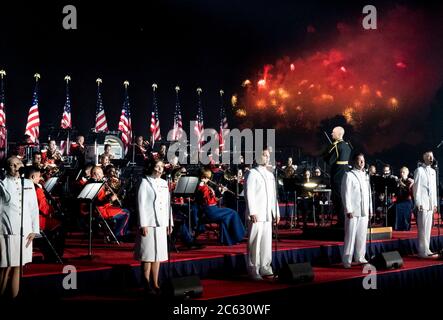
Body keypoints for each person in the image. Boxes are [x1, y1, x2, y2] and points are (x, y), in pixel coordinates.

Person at [0, 156, 39, 299]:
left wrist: (34, 230)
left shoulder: (28, 183)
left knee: (18, 266)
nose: (15, 167)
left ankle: (14, 297)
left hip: (25, 230)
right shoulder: (2, 183)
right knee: (5, 266)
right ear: (6, 167)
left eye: (18, 164)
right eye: (11, 165)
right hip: (7, 230)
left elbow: (33, 208)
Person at [134, 159, 173, 294]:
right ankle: (146, 283)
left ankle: (155, 283)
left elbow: (168, 204)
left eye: (161, 167)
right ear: (151, 167)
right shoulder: (144, 182)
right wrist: (142, 223)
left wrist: (169, 222)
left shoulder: (163, 183)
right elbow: (141, 204)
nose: (159, 169)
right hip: (149, 222)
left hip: (161, 223)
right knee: (148, 254)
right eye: (157, 167)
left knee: (158, 255)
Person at [245, 148, 280, 280]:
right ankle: (253, 268)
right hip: (257, 213)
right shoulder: (252, 173)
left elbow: (273, 195)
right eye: (264, 155)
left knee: (266, 241)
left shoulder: (270, 175)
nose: (267, 158)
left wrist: (275, 211)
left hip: (267, 213)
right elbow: (249, 193)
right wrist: (252, 211)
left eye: (268, 155)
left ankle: (265, 266)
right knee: (255, 241)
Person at [196, 168, 246, 246]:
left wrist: (221, 192)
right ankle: (240, 235)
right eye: (207, 178)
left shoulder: (204, 186)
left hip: (212, 209)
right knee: (233, 213)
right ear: (203, 177)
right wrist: (216, 192)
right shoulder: (203, 187)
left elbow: (214, 200)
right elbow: (209, 200)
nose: (208, 179)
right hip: (210, 211)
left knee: (226, 218)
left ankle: (228, 240)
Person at [25, 166, 65, 261]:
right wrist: (54, 211)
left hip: (27, 218)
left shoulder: (22, 186)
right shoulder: (37, 189)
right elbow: (44, 208)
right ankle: (55, 256)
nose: (41, 179)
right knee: (61, 225)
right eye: (39, 177)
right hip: (38, 221)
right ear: (33, 177)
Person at [341, 153, 372, 268]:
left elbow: (368, 194)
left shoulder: (366, 176)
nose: (362, 162)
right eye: (359, 160)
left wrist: (370, 209)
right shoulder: (349, 175)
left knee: (362, 235)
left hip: (364, 211)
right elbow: (345, 194)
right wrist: (348, 209)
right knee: (350, 236)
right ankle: (347, 260)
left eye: (363, 160)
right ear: (355, 161)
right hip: (353, 211)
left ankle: (360, 257)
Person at [323, 126, 352, 227]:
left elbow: (329, 161)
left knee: (338, 198)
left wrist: (328, 149)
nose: (331, 134)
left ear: (339, 134)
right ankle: (344, 220)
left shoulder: (336, 146)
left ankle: (341, 221)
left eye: (333, 133)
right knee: (345, 197)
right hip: (346, 172)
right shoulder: (348, 145)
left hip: (337, 174)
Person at [413, 151, 437, 258]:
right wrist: (418, 202)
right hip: (422, 202)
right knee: (422, 228)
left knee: (428, 228)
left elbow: (434, 189)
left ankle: (427, 249)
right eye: (429, 156)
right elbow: (416, 188)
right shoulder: (419, 170)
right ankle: (422, 251)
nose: (431, 158)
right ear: (424, 157)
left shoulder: (433, 171)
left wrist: (435, 203)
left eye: (432, 156)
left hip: (430, 203)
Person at [395, 167, 414, 231]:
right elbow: (396, 192)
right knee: (399, 215)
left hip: (407, 200)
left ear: (407, 173)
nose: (402, 173)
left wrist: (402, 184)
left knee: (406, 216)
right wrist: (397, 185)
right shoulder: (399, 180)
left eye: (403, 172)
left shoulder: (410, 181)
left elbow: (409, 191)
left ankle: (406, 227)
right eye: (401, 172)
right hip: (399, 200)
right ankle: (399, 227)